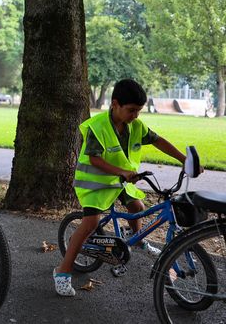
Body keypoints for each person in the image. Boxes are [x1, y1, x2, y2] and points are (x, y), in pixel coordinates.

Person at [53, 78, 187, 297]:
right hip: (95, 185)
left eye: (139, 111)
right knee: (90, 224)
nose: (135, 116)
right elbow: (95, 159)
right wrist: (121, 172)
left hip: (120, 181)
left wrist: (183, 158)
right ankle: (62, 271)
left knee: (137, 206)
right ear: (115, 104)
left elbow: (158, 140)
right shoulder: (98, 126)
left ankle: (138, 241)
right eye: (132, 110)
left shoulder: (135, 125)